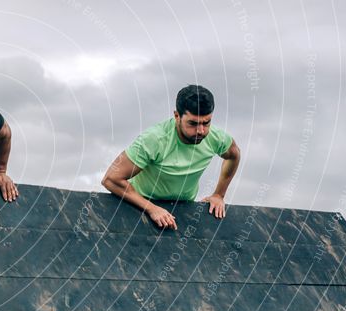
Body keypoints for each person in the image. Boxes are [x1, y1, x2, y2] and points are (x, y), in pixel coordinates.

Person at [101, 84, 241, 229]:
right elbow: (111, 179)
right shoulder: (154, 140)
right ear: (177, 116)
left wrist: (219, 195)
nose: (201, 130)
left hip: (182, 208)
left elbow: (234, 156)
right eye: (193, 123)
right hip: (139, 205)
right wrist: (151, 208)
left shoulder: (216, 138)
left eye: (206, 123)